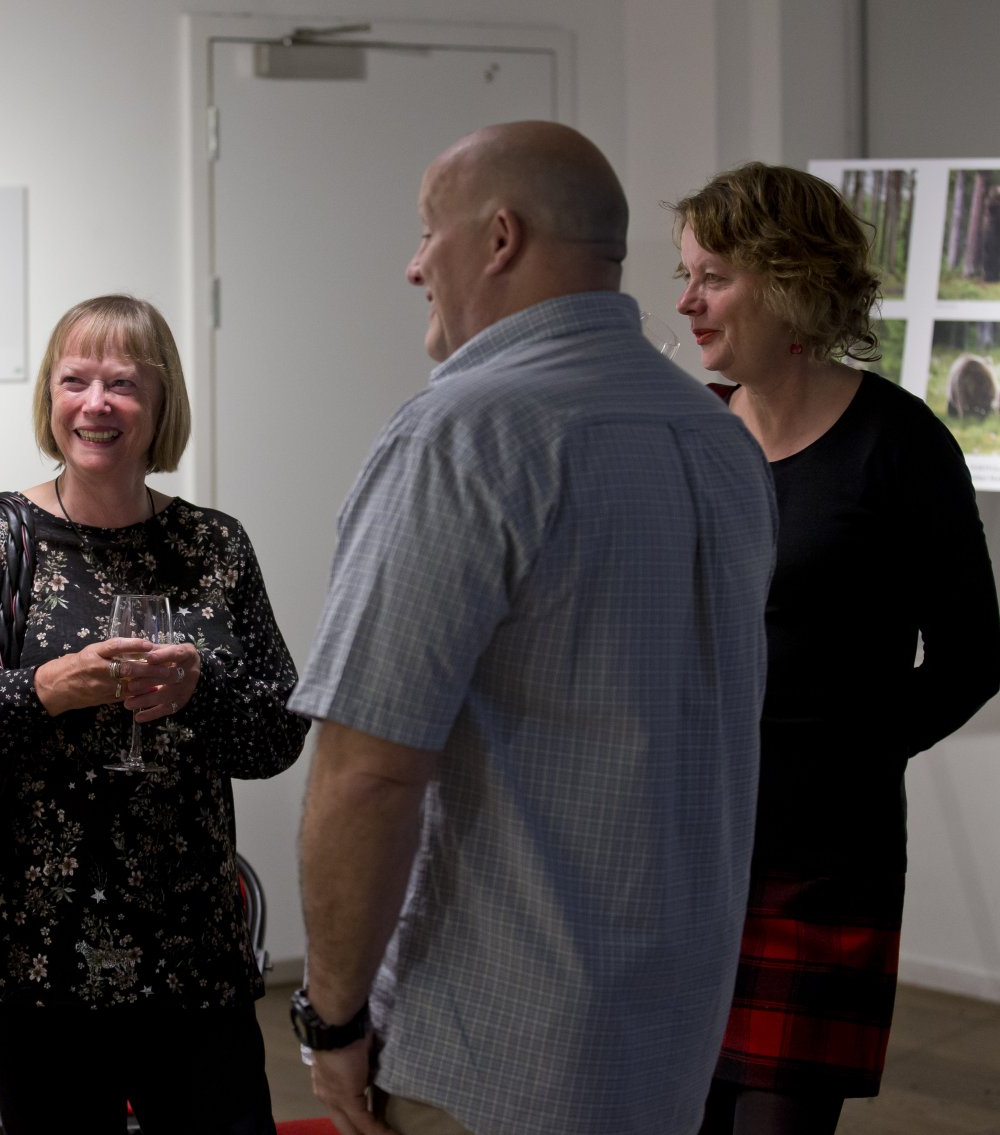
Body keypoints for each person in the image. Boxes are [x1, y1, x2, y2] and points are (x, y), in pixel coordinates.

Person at [288, 121, 778, 1135]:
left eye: (427, 231)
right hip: (670, 1039)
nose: (414, 264)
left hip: (492, 1051)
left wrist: (329, 1015)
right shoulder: (720, 438)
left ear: (499, 237)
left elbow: (367, 771)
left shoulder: (464, 435)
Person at [673, 163, 1000, 1135]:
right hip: (685, 853)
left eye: (714, 276)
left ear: (790, 281)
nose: (687, 301)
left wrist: (852, 753)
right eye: (685, 274)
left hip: (820, 864)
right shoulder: (690, 437)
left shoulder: (897, 444)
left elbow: (973, 652)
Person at [0, 294, 307, 1135]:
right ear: (49, 395)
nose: (95, 404)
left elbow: (281, 730)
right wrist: (46, 689)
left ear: (161, 403)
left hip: (190, 944)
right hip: (33, 948)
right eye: (75, 380)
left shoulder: (215, 546)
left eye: (123, 384)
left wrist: (199, 690)